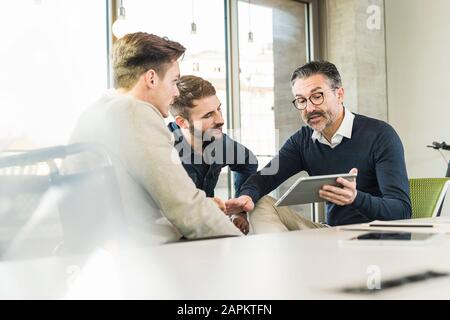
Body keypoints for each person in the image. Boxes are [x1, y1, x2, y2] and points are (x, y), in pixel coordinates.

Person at [68, 32, 242, 245]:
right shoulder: (134, 112)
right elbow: (186, 209)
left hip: (104, 247)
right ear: (151, 78)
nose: (176, 92)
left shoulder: (95, 111)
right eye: (174, 81)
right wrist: (242, 242)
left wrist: (204, 205)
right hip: (145, 255)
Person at [225, 60, 411, 232]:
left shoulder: (380, 135)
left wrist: (356, 198)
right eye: (302, 100)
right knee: (259, 202)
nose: (310, 108)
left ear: (339, 94)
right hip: (332, 234)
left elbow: (401, 212)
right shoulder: (302, 141)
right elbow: (263, 178)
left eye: (317, 96)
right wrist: (245, 201)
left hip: (375, 234)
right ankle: (281, 259)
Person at [169, 75, 258, 234]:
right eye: (208, 115)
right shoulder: (162, 149)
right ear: (182, 122)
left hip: (210, 232)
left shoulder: (219, 142)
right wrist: (203, 205)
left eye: (219, 109)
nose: (221, 120)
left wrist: (239, 209)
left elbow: (248, 162)